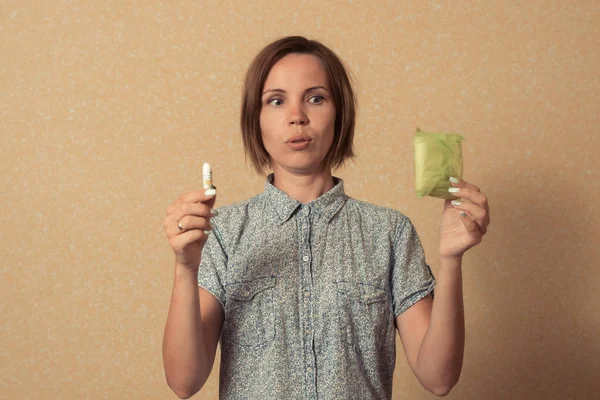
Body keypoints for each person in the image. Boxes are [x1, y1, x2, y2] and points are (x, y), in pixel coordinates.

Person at [162, 36, 490, 400]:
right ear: (256, 121)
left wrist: (452, 259)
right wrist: (185, 269)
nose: (297, 116)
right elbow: (183, 381)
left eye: (315, 98)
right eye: (276, 100)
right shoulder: (221, 232)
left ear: (340, 113)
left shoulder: (389, 233)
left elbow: (439, 378)